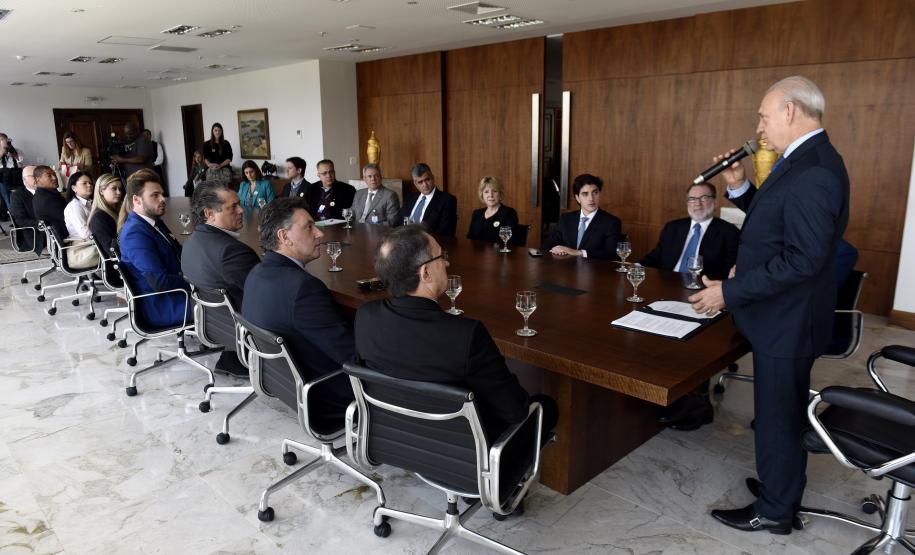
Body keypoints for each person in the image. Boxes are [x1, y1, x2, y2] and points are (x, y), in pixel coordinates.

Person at [689, 76, 849, 535]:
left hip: (789, 320)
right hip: (783, 316)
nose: (759, 126)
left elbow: (802, 259)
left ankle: (776, 510)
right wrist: (740, 187)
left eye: (763, 115)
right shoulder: (804, 160)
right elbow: (776, 220)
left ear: (790, 111)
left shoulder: (814, 169)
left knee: (778, 419)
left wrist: (728, 292)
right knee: (780, 413)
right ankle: (780, 486)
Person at [356, 225, 558, 442]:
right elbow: (515, 411)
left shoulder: (365, 316)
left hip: (395, 440)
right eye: (440, 257)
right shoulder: (466, 335)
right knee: (546, 407)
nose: (447, 263)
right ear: (425, 273)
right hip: (465, 452)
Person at [241, 198, 355, 419]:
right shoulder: (304, 288)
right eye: (309, 227)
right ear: (284, 237)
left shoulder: (255, 273)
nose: (320, 233)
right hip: (327, 397)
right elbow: (351, 354)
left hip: (285, 386)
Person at [640, 182, 740, 431]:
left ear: (714, 201)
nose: (697, 203)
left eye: (703, 198)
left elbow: (730, 272)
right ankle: (662, 394)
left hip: (705, 296)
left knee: (695, 342)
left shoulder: (728, 232)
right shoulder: (673, 227)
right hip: (665, 292)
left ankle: (698, 404)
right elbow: (657, 257)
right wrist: (636, 266)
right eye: (692, 199)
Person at [182, 181, 260, 377]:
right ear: (209, 213)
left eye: (239, 204)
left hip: (215, 325)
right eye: (233, 207)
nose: (241, 210)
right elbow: (268, 296)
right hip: (244, 331)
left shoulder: (191, 241)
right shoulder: (233, 252)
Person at [118, 169, 192, 328]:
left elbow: (178, 254)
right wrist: (196, 282)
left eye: (162, 194)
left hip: (177, 292)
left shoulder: (154, 222)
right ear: (137, 200)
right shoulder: (134, 234)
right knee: (229, 303)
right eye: (155, 195)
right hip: (165, 304)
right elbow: (160, 282)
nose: (163, 199)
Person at [541, 173, 622, 260]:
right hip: (565, 266)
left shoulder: (611, 222)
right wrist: (555, 250)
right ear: (577, 198)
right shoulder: (566, 219)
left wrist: (579, 253)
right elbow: (546, 246)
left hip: (594, 268)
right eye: (585, 194)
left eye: (595, 193)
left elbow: (612, 255)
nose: (591, 198)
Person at [398, 163, 457, 236]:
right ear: (415, 184)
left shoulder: (447, 200)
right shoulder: (410, 198)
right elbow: (400, 222)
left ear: (433, 178)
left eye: (427, 179)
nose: (425, 185)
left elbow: (446, 232)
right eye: (420, 182)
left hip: (428, 241)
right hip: (405, 239)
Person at [466, 176, 519, 243]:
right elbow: (470, 239)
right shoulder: (476, 214)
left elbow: (509, 242)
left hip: (498, 250)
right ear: (482, 195)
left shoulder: (509, 213)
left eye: (494, 191)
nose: (490, 195)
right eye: (486, 192)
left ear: (500, 193)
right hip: (477, 250)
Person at [9, 165, 45, 253]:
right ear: (24, 179)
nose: (37, 178)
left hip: (53, 229)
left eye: (38, 175)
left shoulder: (46, 191)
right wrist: (40, 223)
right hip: (34, 233)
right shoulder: (17, 196)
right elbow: (20, 220)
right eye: (33, 176)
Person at [87, 173, 123, 254]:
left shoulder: (120, 210)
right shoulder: (98, 218)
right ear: (101, 191)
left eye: (120, 189)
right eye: (114, 188)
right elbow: (112, 252)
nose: (119, 192)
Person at [32, 165, 69, 241]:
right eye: (49, 176)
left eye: (54, 174)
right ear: (38, 180)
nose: (54, 178)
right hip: (67, 238)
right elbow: (70, 218)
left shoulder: (45, 194)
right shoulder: (46, 199)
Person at [0, 132, 24, 220]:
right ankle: (15, 218)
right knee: (8, 198)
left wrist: (12, 152)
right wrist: (2, 152)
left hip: (17, 175)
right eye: (1, 140)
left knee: (20, 196)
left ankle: (21, 216)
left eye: (4, 139)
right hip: (3, 177)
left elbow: (21, 161)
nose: (3, 141)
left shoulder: (16, 150)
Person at [143, 129, 167, 195]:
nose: (146, 136)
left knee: (159, 186)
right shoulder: (141, 147)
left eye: (148, 134)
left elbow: (160, 159)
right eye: (144, 135)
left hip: (156, 169)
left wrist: (152, 164)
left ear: (150, 135)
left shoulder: (157, 145)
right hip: (145, 171)